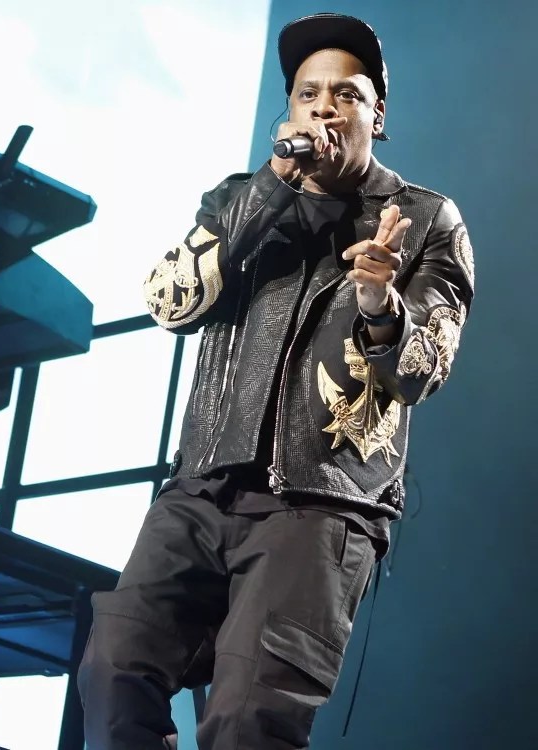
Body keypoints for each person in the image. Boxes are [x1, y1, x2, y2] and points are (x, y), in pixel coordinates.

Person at [78, 12, 474, 750]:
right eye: (308, 94)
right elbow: (168, 302)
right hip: (200, 490)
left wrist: (380, 304)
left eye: (348, 95)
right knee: (112, 670)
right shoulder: (238, 200)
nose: (325, 108)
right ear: (289, 112)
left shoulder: (426, 220)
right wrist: (267, 192)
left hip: (321, 506)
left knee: (245, 722)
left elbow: (426, 370)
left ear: (378, 116)